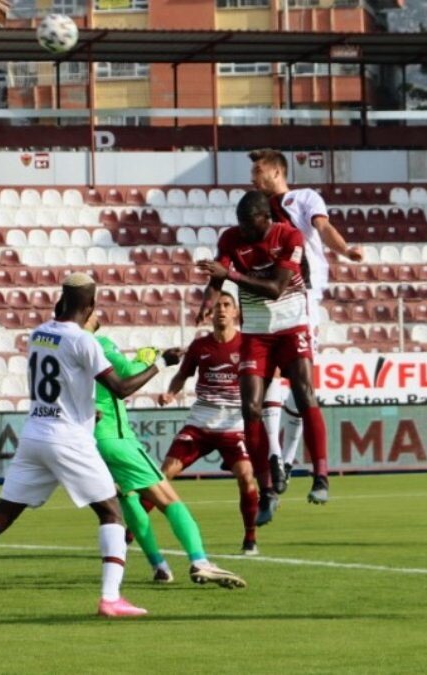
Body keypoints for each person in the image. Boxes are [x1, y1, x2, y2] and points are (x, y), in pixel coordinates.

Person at [0, 273, 163, 620]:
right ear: (91, 306)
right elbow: (121, 388)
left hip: (35, 434)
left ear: (62, 300)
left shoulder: (39, 334)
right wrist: (159, 365)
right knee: (111, 512)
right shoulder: (84, 342)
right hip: (68, 439)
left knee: (2, 515)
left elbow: (65, 377)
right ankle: (111, 598)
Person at [195, 190, 330, 527]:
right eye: (239, 222)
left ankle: (321, 475)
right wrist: (209, 297)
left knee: (304, 392)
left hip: (290, 324)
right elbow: (220, 273)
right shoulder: (231, 237)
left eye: (248, 223)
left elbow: (276, 288)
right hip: (256, 331)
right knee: (250, 408)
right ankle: (267, 489)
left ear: (264, 219)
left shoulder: (289, 235)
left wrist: (232, 278)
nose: (241, 229)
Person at [87, 316, 246, 588]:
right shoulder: (97, 342)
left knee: (128, 498)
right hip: (115, 437)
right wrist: (149, 358)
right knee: (169, 499)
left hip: (86, 439)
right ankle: (200, 561)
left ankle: (159, 565)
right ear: (86, 310)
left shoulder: (59, 346)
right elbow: (125, 373)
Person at [248, 149, 364, 496]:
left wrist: (345, 250)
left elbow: (323, 227)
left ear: (277, 172)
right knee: (265, 378)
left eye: (258, 170)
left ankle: (289, 456)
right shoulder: (255, 209)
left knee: (301, 384)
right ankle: (274, 457)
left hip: (304, 296)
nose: (252, 176)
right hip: (269, 296)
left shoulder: (303, 198)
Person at [158, 293, 261, 555]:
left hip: (232, 425)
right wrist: (171, 393)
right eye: (216, 306)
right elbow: (182, 375)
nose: (221, 310)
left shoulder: (248, 344)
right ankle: (129, 534)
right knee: (163, 474)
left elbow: (267, 374)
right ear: (210, 314)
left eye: (227, 305)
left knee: (247, 478)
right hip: (200, 423)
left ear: (236, 313)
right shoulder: (200, 346)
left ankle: (250, 538)